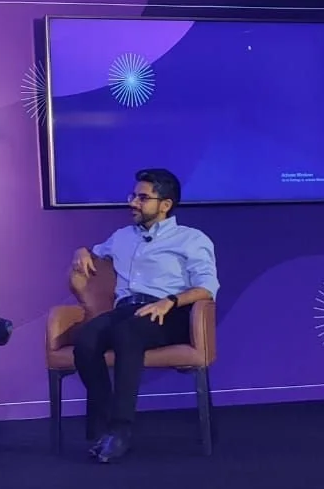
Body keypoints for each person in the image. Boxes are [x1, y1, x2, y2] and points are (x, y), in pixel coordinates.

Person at [70, 169, 219, 463]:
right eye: (133, 196)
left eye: (142, 198)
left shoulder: (191, 239)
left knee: (127, 334)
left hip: (169, 312)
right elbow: (95, 251)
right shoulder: (122, 237)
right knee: (86, 338)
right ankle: (105, 424)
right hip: (127, 309)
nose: (133, 203)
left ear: (165, 205)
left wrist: (170, 301)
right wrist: (81, 250)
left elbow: (208, 287)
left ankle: (121, 429)